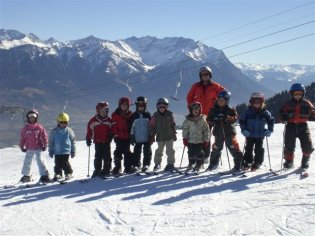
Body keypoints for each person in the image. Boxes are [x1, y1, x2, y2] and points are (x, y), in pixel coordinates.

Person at [186, 66, 225, 163]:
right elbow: (189, 97)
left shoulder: (215, 86)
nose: (205, 76)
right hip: (197, 116)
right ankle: (197, 156)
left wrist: (220, 107)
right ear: (200, 76)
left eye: (207, 74)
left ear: (210, 75)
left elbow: (225, 94)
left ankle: (206, 156)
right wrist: (191, 109)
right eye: (203, 74)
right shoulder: (196, 86)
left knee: (206, 136)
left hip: (210, 116)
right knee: (198, 136)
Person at [279, 83, 315, 170]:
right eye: (295, 94)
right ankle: (289, 162)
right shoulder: (287, 104)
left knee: (308, 145)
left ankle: (305, 161)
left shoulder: (307, 103)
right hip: (290, 126)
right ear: (292, 94)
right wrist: (284, 118)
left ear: (303, 94)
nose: (298, 96)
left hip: (303, 126)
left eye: (300, 94)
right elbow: (281, 115)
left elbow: (312, 113)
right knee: (289, 146)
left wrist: (312, 116)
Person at [207, 91, 243, 171]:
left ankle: (239, 163)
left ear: (227, 101)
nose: (220, 102)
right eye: (219, 100)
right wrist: (212, 121)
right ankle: (213, 163)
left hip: (229, 131)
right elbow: (209, 118)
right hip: (218, 131)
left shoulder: (230, 110)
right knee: (217, 147)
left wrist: (228, 118)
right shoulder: (214, 109)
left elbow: (235, 118)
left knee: (232, 146)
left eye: (222, 100)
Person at [239, 92, 275, 171]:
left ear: (262, 103)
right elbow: (242, 121)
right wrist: (243, 130)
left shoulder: (265, 113)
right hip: (249, 134)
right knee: (248, 148)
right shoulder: (247, 112)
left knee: (259, 149)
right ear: (251, 103)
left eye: (259, 103)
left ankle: (257, 162)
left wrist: (270, 130)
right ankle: (248, 161)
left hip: (260, 134)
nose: (257, 104)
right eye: (255, 102)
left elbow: (271, 120)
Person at [19, 109, 50, 183]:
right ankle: (27, 175)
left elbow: (44, 136)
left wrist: (45, 144)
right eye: (30, 117)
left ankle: (44, 175)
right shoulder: (26, 128)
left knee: (40, 161)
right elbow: (23, 138)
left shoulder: (39, 127)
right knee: (27, 161)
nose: (32, 119)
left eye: (34, 117)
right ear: (28, 118)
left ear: (36, 118)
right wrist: (22, 146)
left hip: (38, 147)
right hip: (29, 147)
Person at [86, 102, 113, 178]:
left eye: (106, 111)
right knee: (98, 157)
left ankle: (107, 170)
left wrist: (111, 135)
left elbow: (112, 129)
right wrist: (88, 138)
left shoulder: (109, 120)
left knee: (107, 156)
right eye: (102, 111)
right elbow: (89, 130)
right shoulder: (93, 120)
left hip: (106, 141)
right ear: (98, 111)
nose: (104, 113)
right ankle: (97, 170)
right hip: (97, 142)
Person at [149, 97, 177, 171]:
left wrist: (174, 133)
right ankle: (157, 164)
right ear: (157, 107)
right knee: (159, 151)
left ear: (166, 107)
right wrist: (152, 135)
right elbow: (152, 126)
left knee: (170, 151)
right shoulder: (155, 116)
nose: (162, 108)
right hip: (160, 136)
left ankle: (170, 164)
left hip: (169, 136)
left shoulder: (170, 115)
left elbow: (173, 125)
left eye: (163, 106)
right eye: (160, 106)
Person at [182, 101, 210, 172]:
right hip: (190, 140)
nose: (196, 111)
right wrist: (185, 138)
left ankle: (199, 164)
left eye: (197, 110)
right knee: (190, 152)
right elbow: (185, 130)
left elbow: (206, 130)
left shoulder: (203, 119)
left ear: (200, 110)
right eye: (194, 110)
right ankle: (191, 163)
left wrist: (206, 140)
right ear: (191, 111)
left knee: (199, 153)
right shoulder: (188, 120)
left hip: (199, 140)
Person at [48, 112, 76, 181]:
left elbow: (73, 141)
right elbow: (51, 141)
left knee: (65, 163)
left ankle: (69, 173)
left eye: (65, 122)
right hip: (57, 151)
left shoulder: (69, 131)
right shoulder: (54, 131)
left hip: (66, 151)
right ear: (58, 122)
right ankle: (58, 173)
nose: (63, 124)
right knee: (57, 164)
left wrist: (73, 151)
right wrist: (50, 150)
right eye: (61, 122)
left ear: (67, 122)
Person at [129, 96, 152, 173]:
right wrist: (132, 137)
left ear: (145, 106)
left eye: (142, 106)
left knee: (147, 152)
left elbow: (150, 126)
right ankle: (136, 165)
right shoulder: (133, 116)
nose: (141, 108)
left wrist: (151, 135)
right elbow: (132, 128)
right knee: (136, 152)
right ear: (136, 106)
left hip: (146, 138)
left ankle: (146, 165)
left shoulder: (148, 115)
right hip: (137, 138)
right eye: (139, 106)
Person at [111, 97, 133, 174]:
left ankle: (128, 167)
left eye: (126, 105)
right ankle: (118, 167)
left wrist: (131, 134)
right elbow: (113, 125)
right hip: (119, 136)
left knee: (127, 152)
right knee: (118, 151)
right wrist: (115, 134)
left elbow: (132, 125)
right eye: (122, 105)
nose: (124, 106)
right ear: (119, 105)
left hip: (127, 136)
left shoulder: (130, 114)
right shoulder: (115, 114)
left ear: (128, 106)